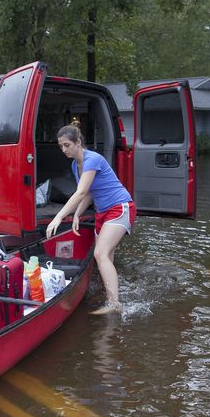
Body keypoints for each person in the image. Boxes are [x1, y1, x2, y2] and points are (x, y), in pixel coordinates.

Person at [45, 122, 137, 314]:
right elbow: (88, 194)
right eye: (61, 146)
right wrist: (77, 214)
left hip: (119, 207)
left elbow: (81, 192)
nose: (64, 150)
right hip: (102, 212)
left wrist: (59, 217)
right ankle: (111, 297)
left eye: (67, 145)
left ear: (78, 142)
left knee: (100, 254)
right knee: (107, 256)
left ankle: (114, 304)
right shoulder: (74, 165)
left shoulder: (92, 159)